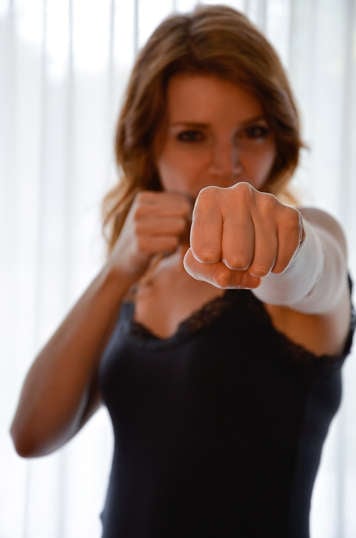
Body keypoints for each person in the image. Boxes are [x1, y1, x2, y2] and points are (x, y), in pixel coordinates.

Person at [10, 4, 355, 538]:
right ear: (148, 142)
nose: (229, 165)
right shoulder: (138, 277)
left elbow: (318, 272)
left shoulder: (297, 235)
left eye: (254, 131)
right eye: (192, 135)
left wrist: (291, 247)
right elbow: (30, 435)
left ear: (279, 139)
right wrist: (117, 271)